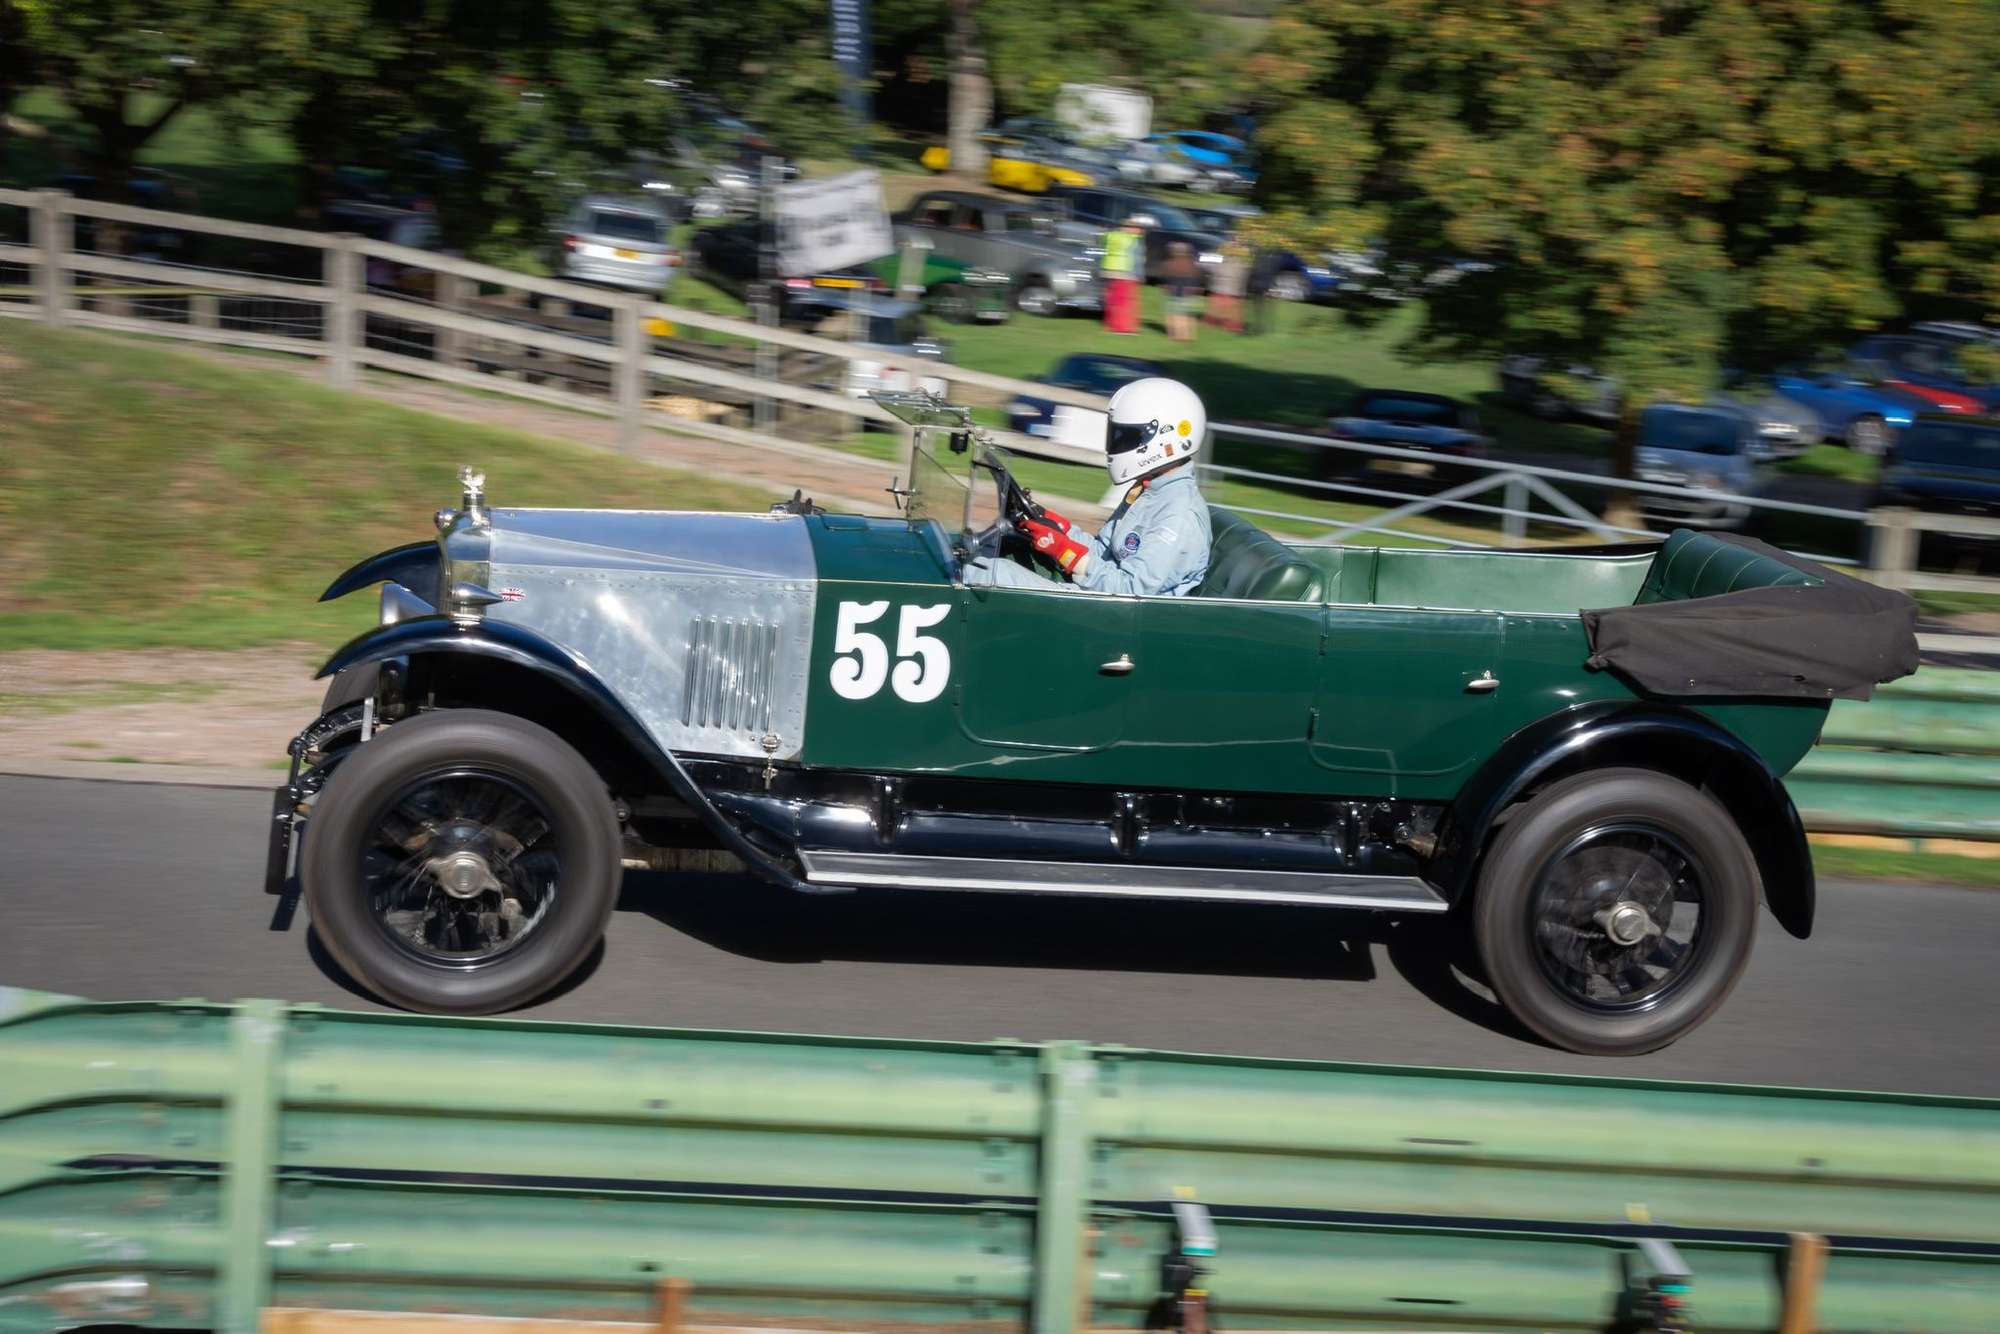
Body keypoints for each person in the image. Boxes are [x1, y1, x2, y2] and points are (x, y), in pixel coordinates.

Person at [967, 378, 1212, 597]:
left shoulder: (1178, 516)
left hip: (1116, 621)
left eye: (1127, 436)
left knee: (989, 574)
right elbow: (1104, 551)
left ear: (1165, 439)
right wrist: (1058, 526)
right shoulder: (1149, 490)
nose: (1117, 443)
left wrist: (1067, 552)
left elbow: (1130, 591)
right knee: (993, 553)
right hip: (1098, 600)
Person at [1101, 218, 1145, 334]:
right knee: (1123, 301)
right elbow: (1136, 259)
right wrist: (1139, 275)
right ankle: (1121, 327)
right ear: (1129, 228)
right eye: (1138, 228)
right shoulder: (1132, 239)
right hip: (1125, 272)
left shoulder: (1110, 236)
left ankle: (1111, 324)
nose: (1140, 231)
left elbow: (1103, 246)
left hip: (1109, 269)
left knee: (1112, 300)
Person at [1206, 239, 1248, 333]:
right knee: (1231, 310)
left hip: (1226, 289)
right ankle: (1231, 326)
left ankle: (1221, 325)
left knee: (1221, 309)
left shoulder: (1229, 261)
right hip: (1231, 290)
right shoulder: (1241, 262)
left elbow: (1218, 273)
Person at [1162, 241, 1200, 342]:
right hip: (1188, 293)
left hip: (1174, 292)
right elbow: (1196, 279)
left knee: (1173, 314)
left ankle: (1174, 335)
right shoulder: (1191, 264)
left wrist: (1166, 287)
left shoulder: (1169, 264)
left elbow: (1165, 280)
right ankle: (1187, 335)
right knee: (1186, 314)